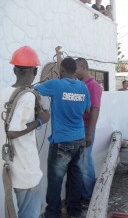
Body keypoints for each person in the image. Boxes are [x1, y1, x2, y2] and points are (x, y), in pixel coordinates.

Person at [34, 46, 90, 218]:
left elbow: (35, 89)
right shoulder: (83, 87)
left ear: (62, 70)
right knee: (75, 179)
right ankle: (74, 212)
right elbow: (87, 108)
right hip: (79, 140)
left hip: (61, 143)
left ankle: (52, 214)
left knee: (55, 181)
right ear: (75, 71)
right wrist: (59, 56)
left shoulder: (55, 85)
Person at [0, 46, 50, 218]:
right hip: (26, 169)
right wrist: (40, 121)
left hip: (9, 166)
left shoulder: (3, 93)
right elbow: (13, 131)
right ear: (35, 71)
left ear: (14, 70)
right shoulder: (28, 96)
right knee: (29, 213)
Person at [74, 57, 102, 209]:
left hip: (86, 128)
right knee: (80, 162)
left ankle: (89, 197)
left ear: (83, 68)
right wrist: (58, 55)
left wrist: (89, 134)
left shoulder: (93, 86)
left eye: (76, 69)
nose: (74, 72)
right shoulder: (80, 84)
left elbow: (95, 111)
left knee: (86, 162)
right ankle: (84, 194)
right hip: (79, 127)